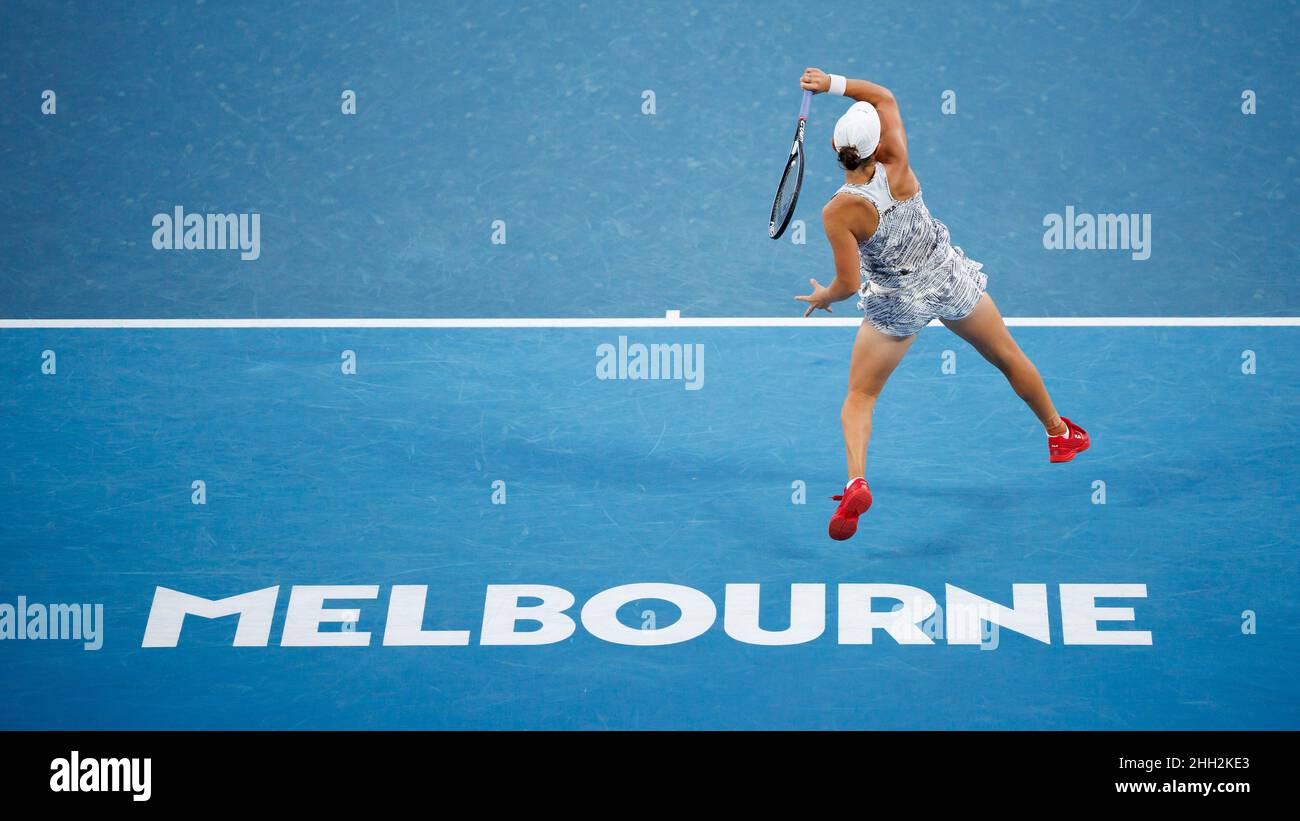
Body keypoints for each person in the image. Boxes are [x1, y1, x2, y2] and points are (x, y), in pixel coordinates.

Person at [794, 67, 1089, 541]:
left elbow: (848, 285)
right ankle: (1058, 433)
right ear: (876, 145)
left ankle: (856, 482)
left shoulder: (837, 212)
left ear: (835, 148)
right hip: (949, 279)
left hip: (898, 304)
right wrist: (829, 82)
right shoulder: (899, 165)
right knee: (1009, 357)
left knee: (861, 396)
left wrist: (823, 296)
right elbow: (884, 95)